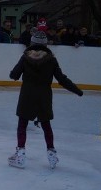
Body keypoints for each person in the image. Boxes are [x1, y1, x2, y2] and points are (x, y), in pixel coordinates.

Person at [8, 29, 83, 169]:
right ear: (45, 45)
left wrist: (14, 73)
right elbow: (62, 79)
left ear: (32, 43)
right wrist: (77, 90)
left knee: (22, 125)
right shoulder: (51, 60)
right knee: (46, 125)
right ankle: (52, 155)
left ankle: (20, 155)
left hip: (27, 95)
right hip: (44, 96)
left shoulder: (25, 58)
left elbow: (14, 75)